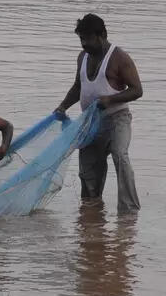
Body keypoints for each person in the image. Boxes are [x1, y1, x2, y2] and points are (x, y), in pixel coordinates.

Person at [54, 14, 143, 212]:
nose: (84, 44)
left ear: (102, 35)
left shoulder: (119, 57)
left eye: (87, 38)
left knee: (120, 156)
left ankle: (129, 211)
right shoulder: (82, 57)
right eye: (81, 39)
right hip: (90, 122)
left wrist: (110, 100)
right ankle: (92, 214)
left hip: (117, 118)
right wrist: (62, 106)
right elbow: (78, 86)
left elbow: (137, 90)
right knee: (88, 172)